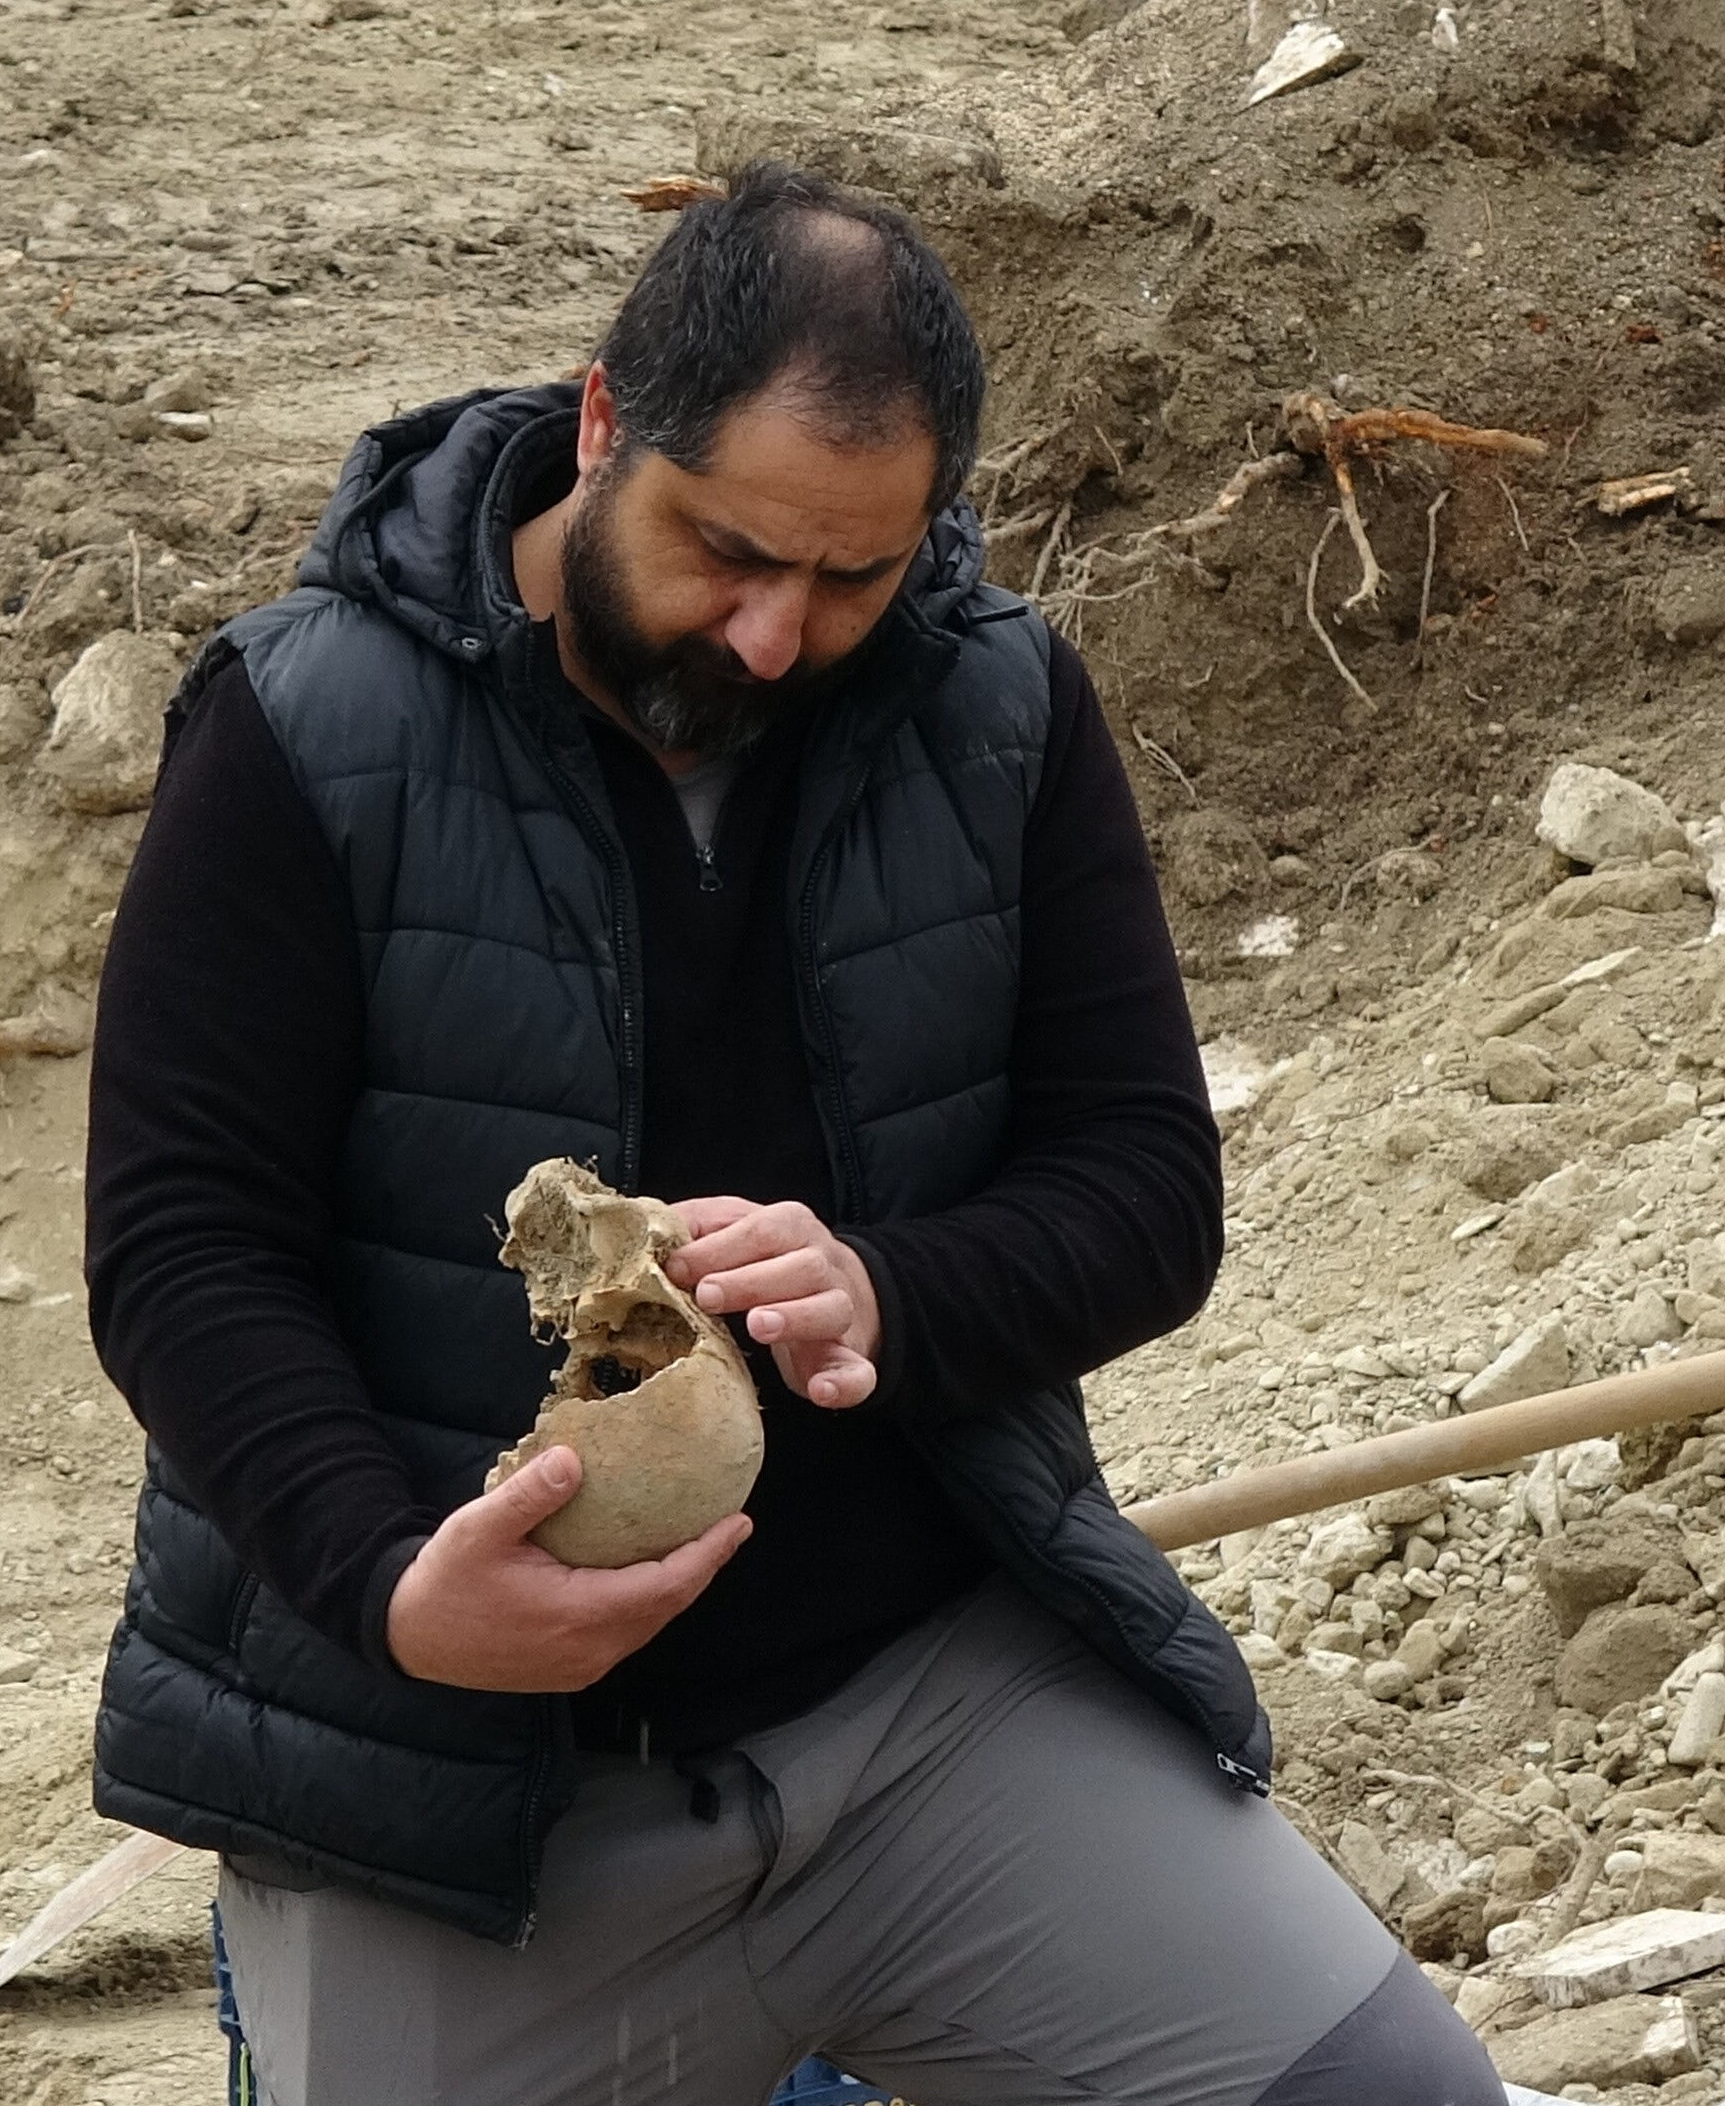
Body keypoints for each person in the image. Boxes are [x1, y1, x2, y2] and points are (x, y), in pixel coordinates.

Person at [82, 162, 1499, 2106]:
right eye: (725, 550)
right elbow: (181, 1248)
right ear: (602, 427)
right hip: (456, 1800)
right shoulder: (306, 730)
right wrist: (399, 1583)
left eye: (851, 577)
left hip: (924, 1712)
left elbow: (1145, 1185)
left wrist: (890, 1294)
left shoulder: (993, 708)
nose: (770, 636)